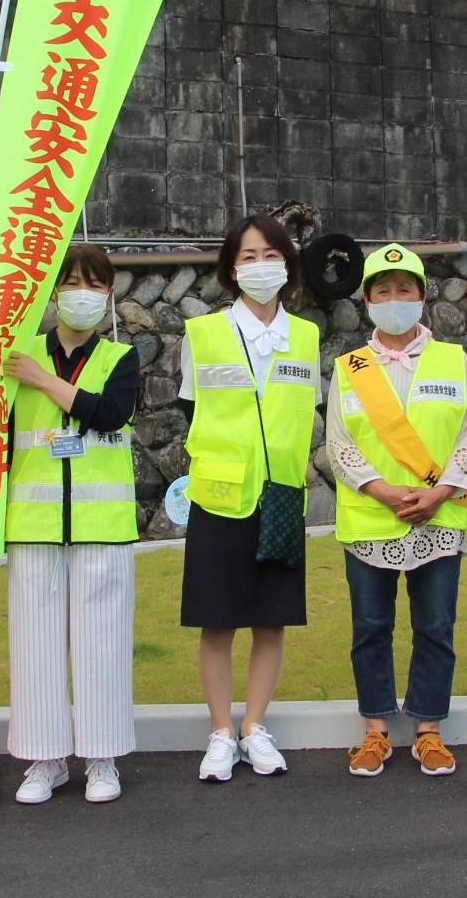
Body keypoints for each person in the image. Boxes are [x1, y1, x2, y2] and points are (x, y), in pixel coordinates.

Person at [329, 244, 467, 778]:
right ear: (367, 300)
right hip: (371, 517)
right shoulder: (349, 368)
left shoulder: (453, 359)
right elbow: (339, 442)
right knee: (371, 626)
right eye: (383, 290)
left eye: (405, 289)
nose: (395, 299)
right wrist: (382, 490)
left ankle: (429, 730)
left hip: (437, 516)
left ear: (422, 295)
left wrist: (440, 493)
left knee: (436, 625)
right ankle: (375, 731)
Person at [179, 214, 320, 782]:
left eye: (271, 255)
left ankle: (256, 726)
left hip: (281, 493)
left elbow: (302, 412)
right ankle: (220, 732)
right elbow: (193, 408)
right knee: (218, 622)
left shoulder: (306, 336)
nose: (261, 266)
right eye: (249, 256)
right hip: (219, 496)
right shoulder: (204, 334)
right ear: (232, 270)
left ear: (287, 264)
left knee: (271, 619)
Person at [0, 244, 141, 805]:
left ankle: (101, 758)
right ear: (54, 291)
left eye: (95, 285)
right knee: (34, 645)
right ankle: (44, 759)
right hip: (32, 524)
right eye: (72, 283)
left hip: (103, 527)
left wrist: (41, 379)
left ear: (108, 295)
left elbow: (110, 413)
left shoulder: (119, 357)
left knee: (102, 643)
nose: (82, 294)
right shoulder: (19, 355)